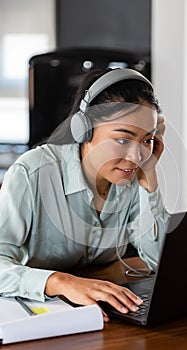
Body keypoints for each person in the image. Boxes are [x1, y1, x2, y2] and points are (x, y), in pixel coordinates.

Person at [0, 68, 170, 322]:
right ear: (84, 130)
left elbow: (158, 260)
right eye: (123, 140)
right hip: (36, 314)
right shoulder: (33, 172)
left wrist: (150, 179)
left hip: (99, 311)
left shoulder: (132, 174)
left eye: (146, 140)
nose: (135, 157)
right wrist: (60, 281)